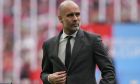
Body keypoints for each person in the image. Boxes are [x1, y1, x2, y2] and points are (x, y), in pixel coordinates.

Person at [40, 0, 116, 84]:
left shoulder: (93, 40)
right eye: (70, 15)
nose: (75, 19)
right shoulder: (49, 45)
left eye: (77, 14)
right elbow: (44, 73)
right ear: (60, 18)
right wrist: (49, 78)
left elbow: (109, 71)